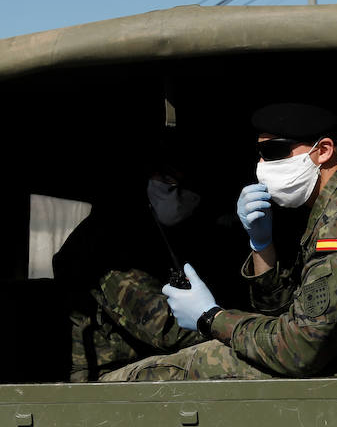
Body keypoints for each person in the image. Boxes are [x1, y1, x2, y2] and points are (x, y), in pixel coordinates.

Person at [100, 102, 337, 381]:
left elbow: (299, 349)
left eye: (274, 152)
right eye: (260, 153)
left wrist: (211, 318)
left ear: (323, 150)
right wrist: (261, 246)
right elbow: (283, 314)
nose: (263, 164)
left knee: (178, 371)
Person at [54, 138, 241, 381]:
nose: (175, 187)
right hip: (105, 379)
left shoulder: (162, 234)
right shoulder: (108, 243)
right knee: (226, 359)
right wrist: (242, 328)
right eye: (166, 178)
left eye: (182, 180)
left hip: (148, 361)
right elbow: (164, 328)